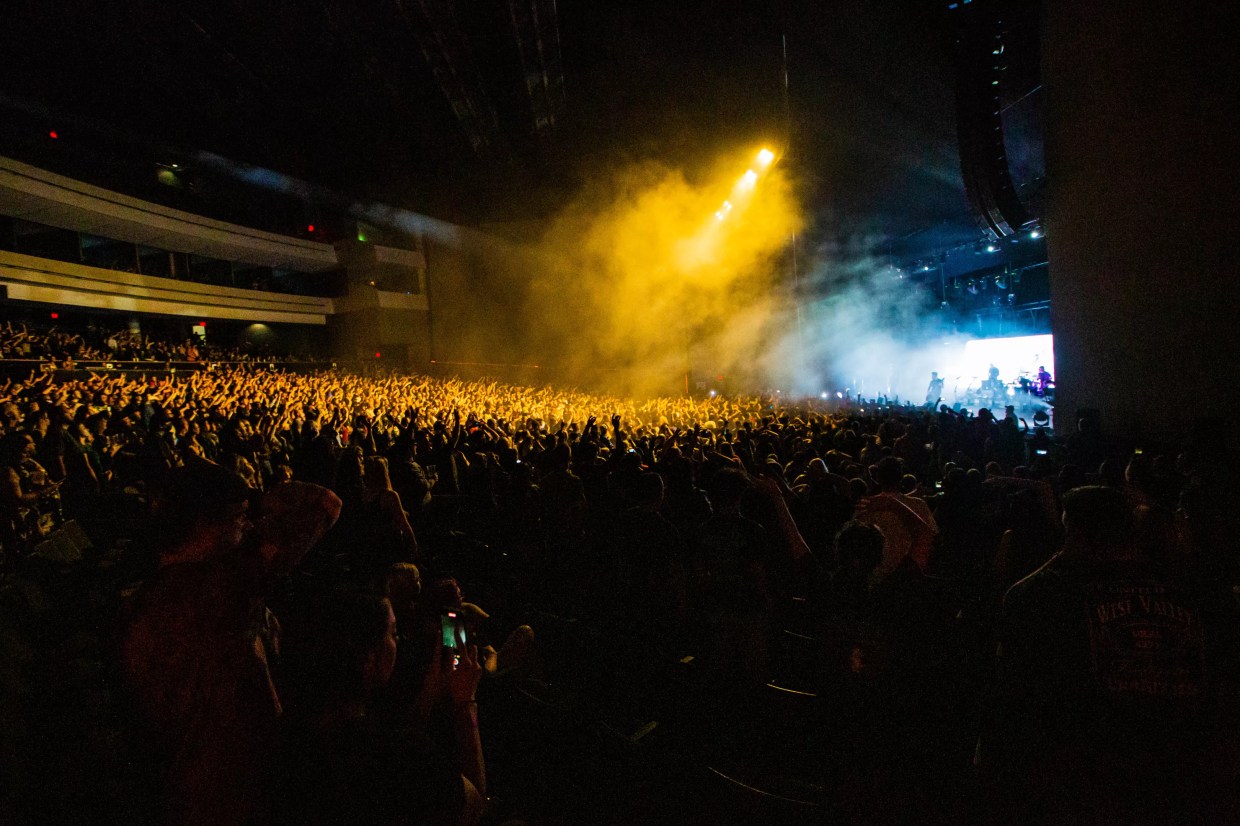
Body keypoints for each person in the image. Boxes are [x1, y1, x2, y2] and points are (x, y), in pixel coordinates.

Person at [120, 462, 341, 825]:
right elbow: (326, 504)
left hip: (188, 782)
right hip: (228, 788)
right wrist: (272, 497)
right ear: (203, 524)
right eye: (239, 518)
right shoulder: (219, 589)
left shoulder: (150, 596)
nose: (250, 526)